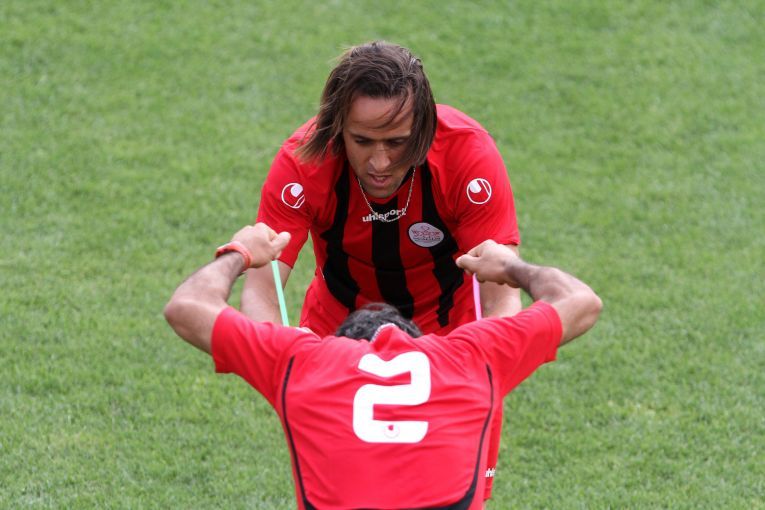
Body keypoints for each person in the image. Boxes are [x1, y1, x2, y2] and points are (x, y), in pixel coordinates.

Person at [242, 41, 522, 494]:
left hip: (447, 343)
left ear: (424, 127)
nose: (379, 163)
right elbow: (262, 289)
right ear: (337, 127)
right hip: (339, 342)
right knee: (348, 494)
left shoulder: (467, 155)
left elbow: (502, 299)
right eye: (362, 141)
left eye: (397, 142)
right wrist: (286, 367)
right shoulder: (304, 160)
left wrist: (481, 373)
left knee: (453, 495)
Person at [164, 222, 602, 509]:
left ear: (345, 345)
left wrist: (239, 253)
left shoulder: (302, 362)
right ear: (415, 342)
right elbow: (580, 301)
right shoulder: (470, 357)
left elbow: (187, 306)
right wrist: (511, 266)